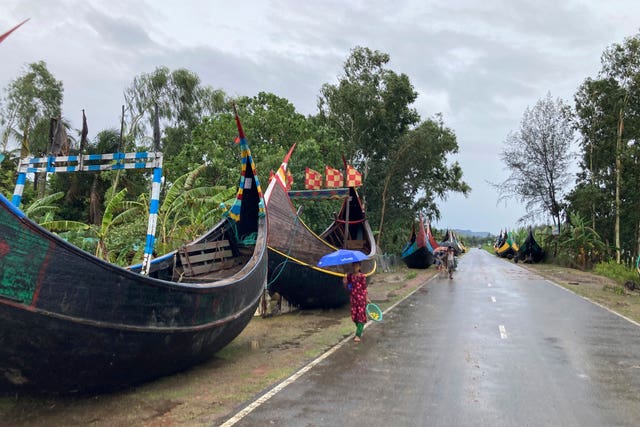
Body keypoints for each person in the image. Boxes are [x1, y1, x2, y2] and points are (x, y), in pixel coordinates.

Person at [342, 261, 370, 342]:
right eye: (354, 266)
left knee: (360, 317)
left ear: (360, 267)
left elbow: (364, 288)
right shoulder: (350, 276)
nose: (355, 267)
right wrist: (345, 283)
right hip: (353, 300)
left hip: (361, 299)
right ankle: (360, 327)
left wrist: (366, 298)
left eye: (357, 266)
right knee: (354, 318)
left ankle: (358, 335)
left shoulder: (362, 276)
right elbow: (348, 288)